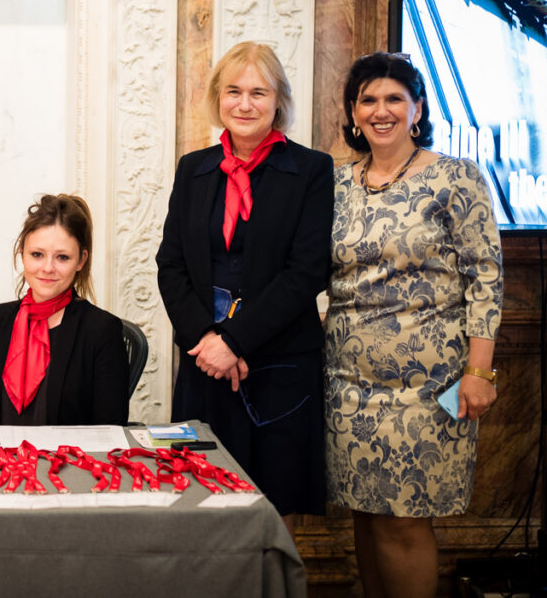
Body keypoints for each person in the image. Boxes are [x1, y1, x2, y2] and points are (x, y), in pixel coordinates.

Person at [325, 52, 503, 597]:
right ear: (354, 113)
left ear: (417, 108)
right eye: (369, 100)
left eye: (394, 99)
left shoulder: (455, 177)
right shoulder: (334, 184)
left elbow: (486, 278)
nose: (381, 111)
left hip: (427, 388)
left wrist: (480, 370)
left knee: (403, 520)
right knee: (364, 513)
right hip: (346, 383)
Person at [156, 41, 334, 527]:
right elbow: (170, 265)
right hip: (203, 365)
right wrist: (208, 342)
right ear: (218, 97)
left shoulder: (312, 171)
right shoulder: (193, 169)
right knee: (198, 505)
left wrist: (234, 341)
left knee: (273, 515)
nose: (245, 103)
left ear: (279, 100)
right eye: (233, 91)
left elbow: (306, 272)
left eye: (259, 91)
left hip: (279, 368)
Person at [0, 194, 128, 426]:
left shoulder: (102, 330)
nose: (48, 268)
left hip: (69, 461)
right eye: (37, 255)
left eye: (62, 257)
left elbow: (109, 428)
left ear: (81, 261)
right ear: (22, 254)